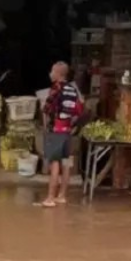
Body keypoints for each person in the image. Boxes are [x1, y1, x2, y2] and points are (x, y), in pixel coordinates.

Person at [37, 62, 84, 208]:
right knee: (66, 163)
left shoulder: (56, 88)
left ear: (58, 73)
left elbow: (47, 109)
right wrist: (70, 125)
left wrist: (46, 125)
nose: (50, 74)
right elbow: (78, 111)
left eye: (52, 71)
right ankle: (62, 196)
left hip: (56, 130)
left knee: (55, 163)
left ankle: (50, 198)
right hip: (67, 130)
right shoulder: (73, 89)